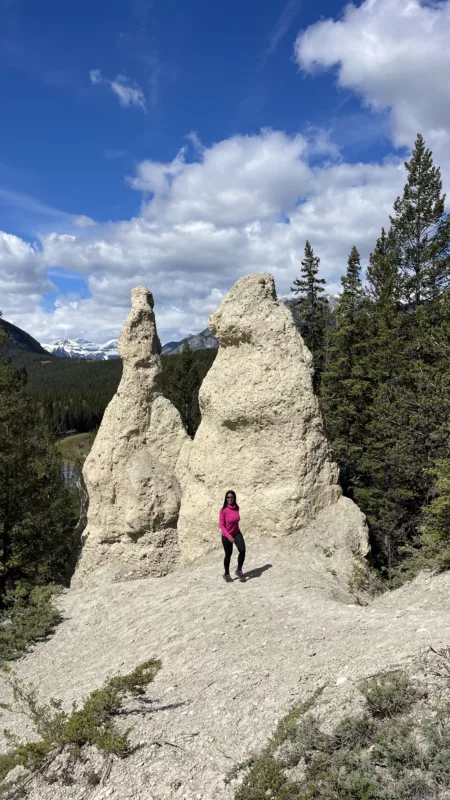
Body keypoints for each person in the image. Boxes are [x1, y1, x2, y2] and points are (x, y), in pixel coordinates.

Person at [219, 490, 246, 583]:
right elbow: (222, 526)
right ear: (226, 499)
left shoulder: (237, 507)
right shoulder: (223, 510)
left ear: (234, 498)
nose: (229, 499)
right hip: (226, 535)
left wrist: (235, 533)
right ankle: (226, 574)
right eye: (228, 497)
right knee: (228, 555)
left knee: (242, 550)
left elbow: (236, 520)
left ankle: (239, 570)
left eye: (231, 497)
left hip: (236, 532)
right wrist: (228, 536)